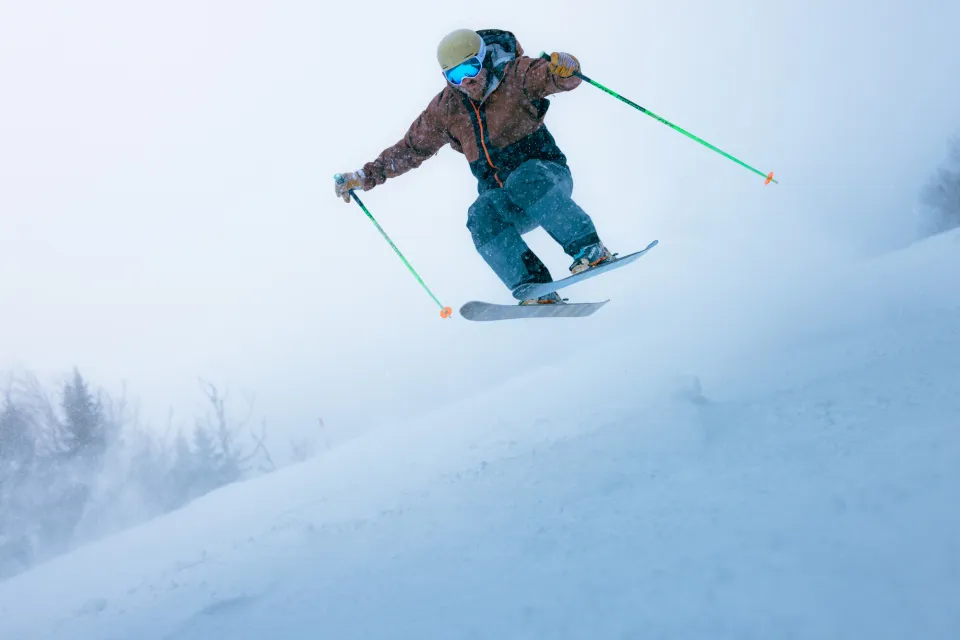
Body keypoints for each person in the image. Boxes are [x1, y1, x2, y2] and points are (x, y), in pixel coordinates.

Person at [334, 28, 612, 305]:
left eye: (471, 68)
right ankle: (535, 288)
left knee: (523, 179)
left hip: (546, 179)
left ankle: (589, 247)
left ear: (484, 59)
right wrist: (365, 176)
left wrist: (566, 69)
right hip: (508, 200)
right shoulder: (447, 109)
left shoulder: (516, 74)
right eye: (455, 75)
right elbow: (411, 148)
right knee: (481, 214)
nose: (466, 81)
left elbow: (555, 76)